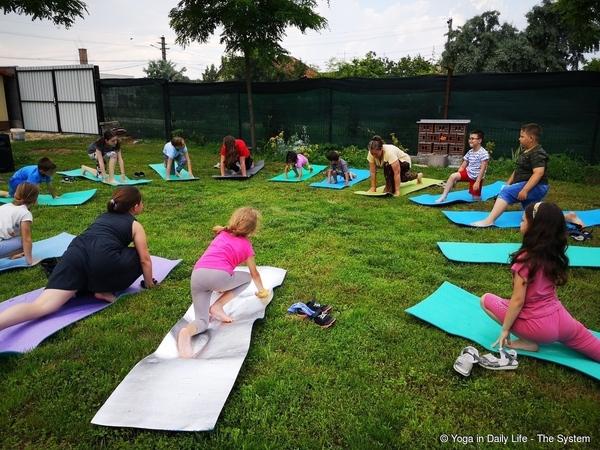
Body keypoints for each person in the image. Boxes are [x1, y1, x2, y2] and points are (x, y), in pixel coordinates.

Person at [0, 187, 155, 333]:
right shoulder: (135, 225)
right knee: (137, 254)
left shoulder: (102, 217)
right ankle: (102, 289)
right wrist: (149, 285)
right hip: (103, 261)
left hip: (75, 254)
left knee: (41, 306)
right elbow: (145, 260)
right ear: (135, 207)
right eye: (142, 202)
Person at [480, 202, 600, 361]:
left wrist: (505, 330)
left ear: (535, 228)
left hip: (538, 328)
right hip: (563, 321)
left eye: (523, 220)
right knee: (594, 346)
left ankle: (528, 342)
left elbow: (517, 301)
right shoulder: (553, 254)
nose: (520, 223)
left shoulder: (524, 260)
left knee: (485, 299)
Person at [177, 207, 269, 358]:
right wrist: (262, 290)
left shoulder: (223, 232)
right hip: (219, 278)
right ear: (252, 230)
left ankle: (186, 332)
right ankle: (218, 306)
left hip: (197, 275)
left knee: (202, 321)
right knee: (246, 278)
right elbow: (254, 274)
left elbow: (220, 230)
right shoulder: (246, 245)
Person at [472, 123, 548, 227]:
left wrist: (525, 190)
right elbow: (517, 170)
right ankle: (568, 218)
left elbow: (538, 173)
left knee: (506, 192)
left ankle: (489, 221)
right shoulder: (526, 151)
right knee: (529, 216)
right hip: (529, 185)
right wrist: (508, 183)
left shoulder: (537, 153)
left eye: (522, 136)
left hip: (538, 187)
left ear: (531, 138)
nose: (519, 139)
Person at [436, 130, 489, 203]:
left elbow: (483, 169)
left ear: (479, 140)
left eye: (473, 138)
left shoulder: (483, 153)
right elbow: (463, 166)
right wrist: (456, 178)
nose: (470, 140)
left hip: (477, 177)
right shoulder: (470, 152)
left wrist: (477, 182)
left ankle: (477, 196)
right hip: (468, 173)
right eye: (469, 138)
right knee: (453, 176)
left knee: (476, 200)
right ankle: (443, 196)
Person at [0, 183, 39, 265]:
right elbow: (26, 239)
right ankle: (14, 254)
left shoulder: (5, 206)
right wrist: (30, 261)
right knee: (22, 243)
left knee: (16, 236)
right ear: (34, 200)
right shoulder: (25, 213)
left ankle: (12, 255)